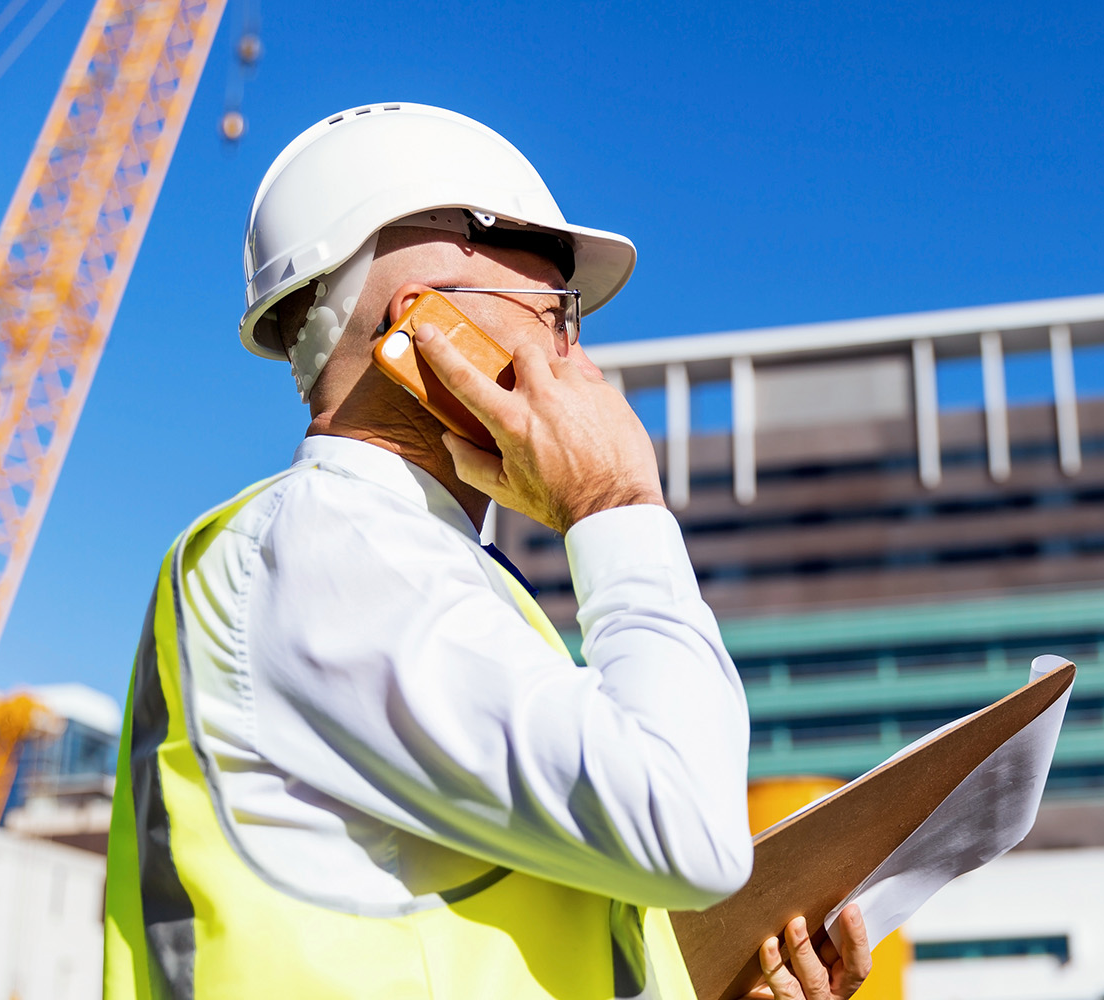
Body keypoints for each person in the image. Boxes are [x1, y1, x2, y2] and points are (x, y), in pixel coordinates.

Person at [102, 103, 871, 1000]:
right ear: (421, 317)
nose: (571, 347)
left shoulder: (427, 575)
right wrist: (616, 501)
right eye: (552, 305)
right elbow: (688, 831)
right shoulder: (326, 542)